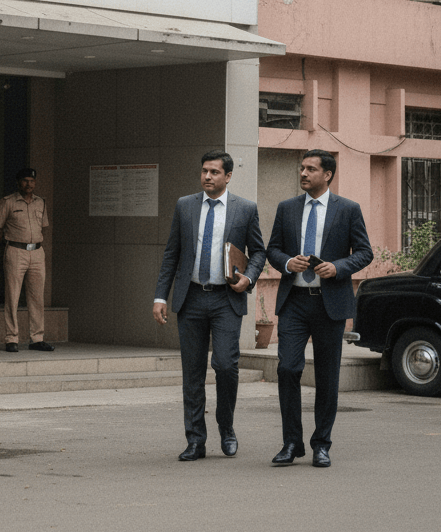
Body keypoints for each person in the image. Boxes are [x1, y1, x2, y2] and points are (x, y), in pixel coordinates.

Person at [152, 151, 266, 460]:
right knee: (193, 372)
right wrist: (160, 296)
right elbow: (172, 253)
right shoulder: (185, 205)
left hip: (225, 299)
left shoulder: (245, 209)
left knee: (226, 366)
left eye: (215, 172)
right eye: (204, 171)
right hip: (191, 298)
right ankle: (195, 440)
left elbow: (259, 252)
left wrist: (249, 278)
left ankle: (226, 427)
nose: (207, 176)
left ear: (228, 176)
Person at [265, 149, 372, 468]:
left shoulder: (348, 209)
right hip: (294, 302)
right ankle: (291, 443)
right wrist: (287, 262)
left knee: (327, 376)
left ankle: (321, 444)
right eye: (302, 168)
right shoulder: (287, 208)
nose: (303, 173)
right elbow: (273, 249)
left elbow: (364, 252)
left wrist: (338, 267)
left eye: (311, 169)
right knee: (288, 368)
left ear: (327, 175)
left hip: (330, 304)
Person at [0, 167, 53, 353]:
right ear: (18, 183)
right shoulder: (8, 202)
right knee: (12, 296)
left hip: (37, 252)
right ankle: (12, 338)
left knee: (37, 297)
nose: (29, 184)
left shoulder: (41, 202)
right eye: (25, 181)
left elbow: (43, 226)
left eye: (32, 181)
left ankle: (37, 338)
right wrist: (9, 243)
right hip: (16, 251)